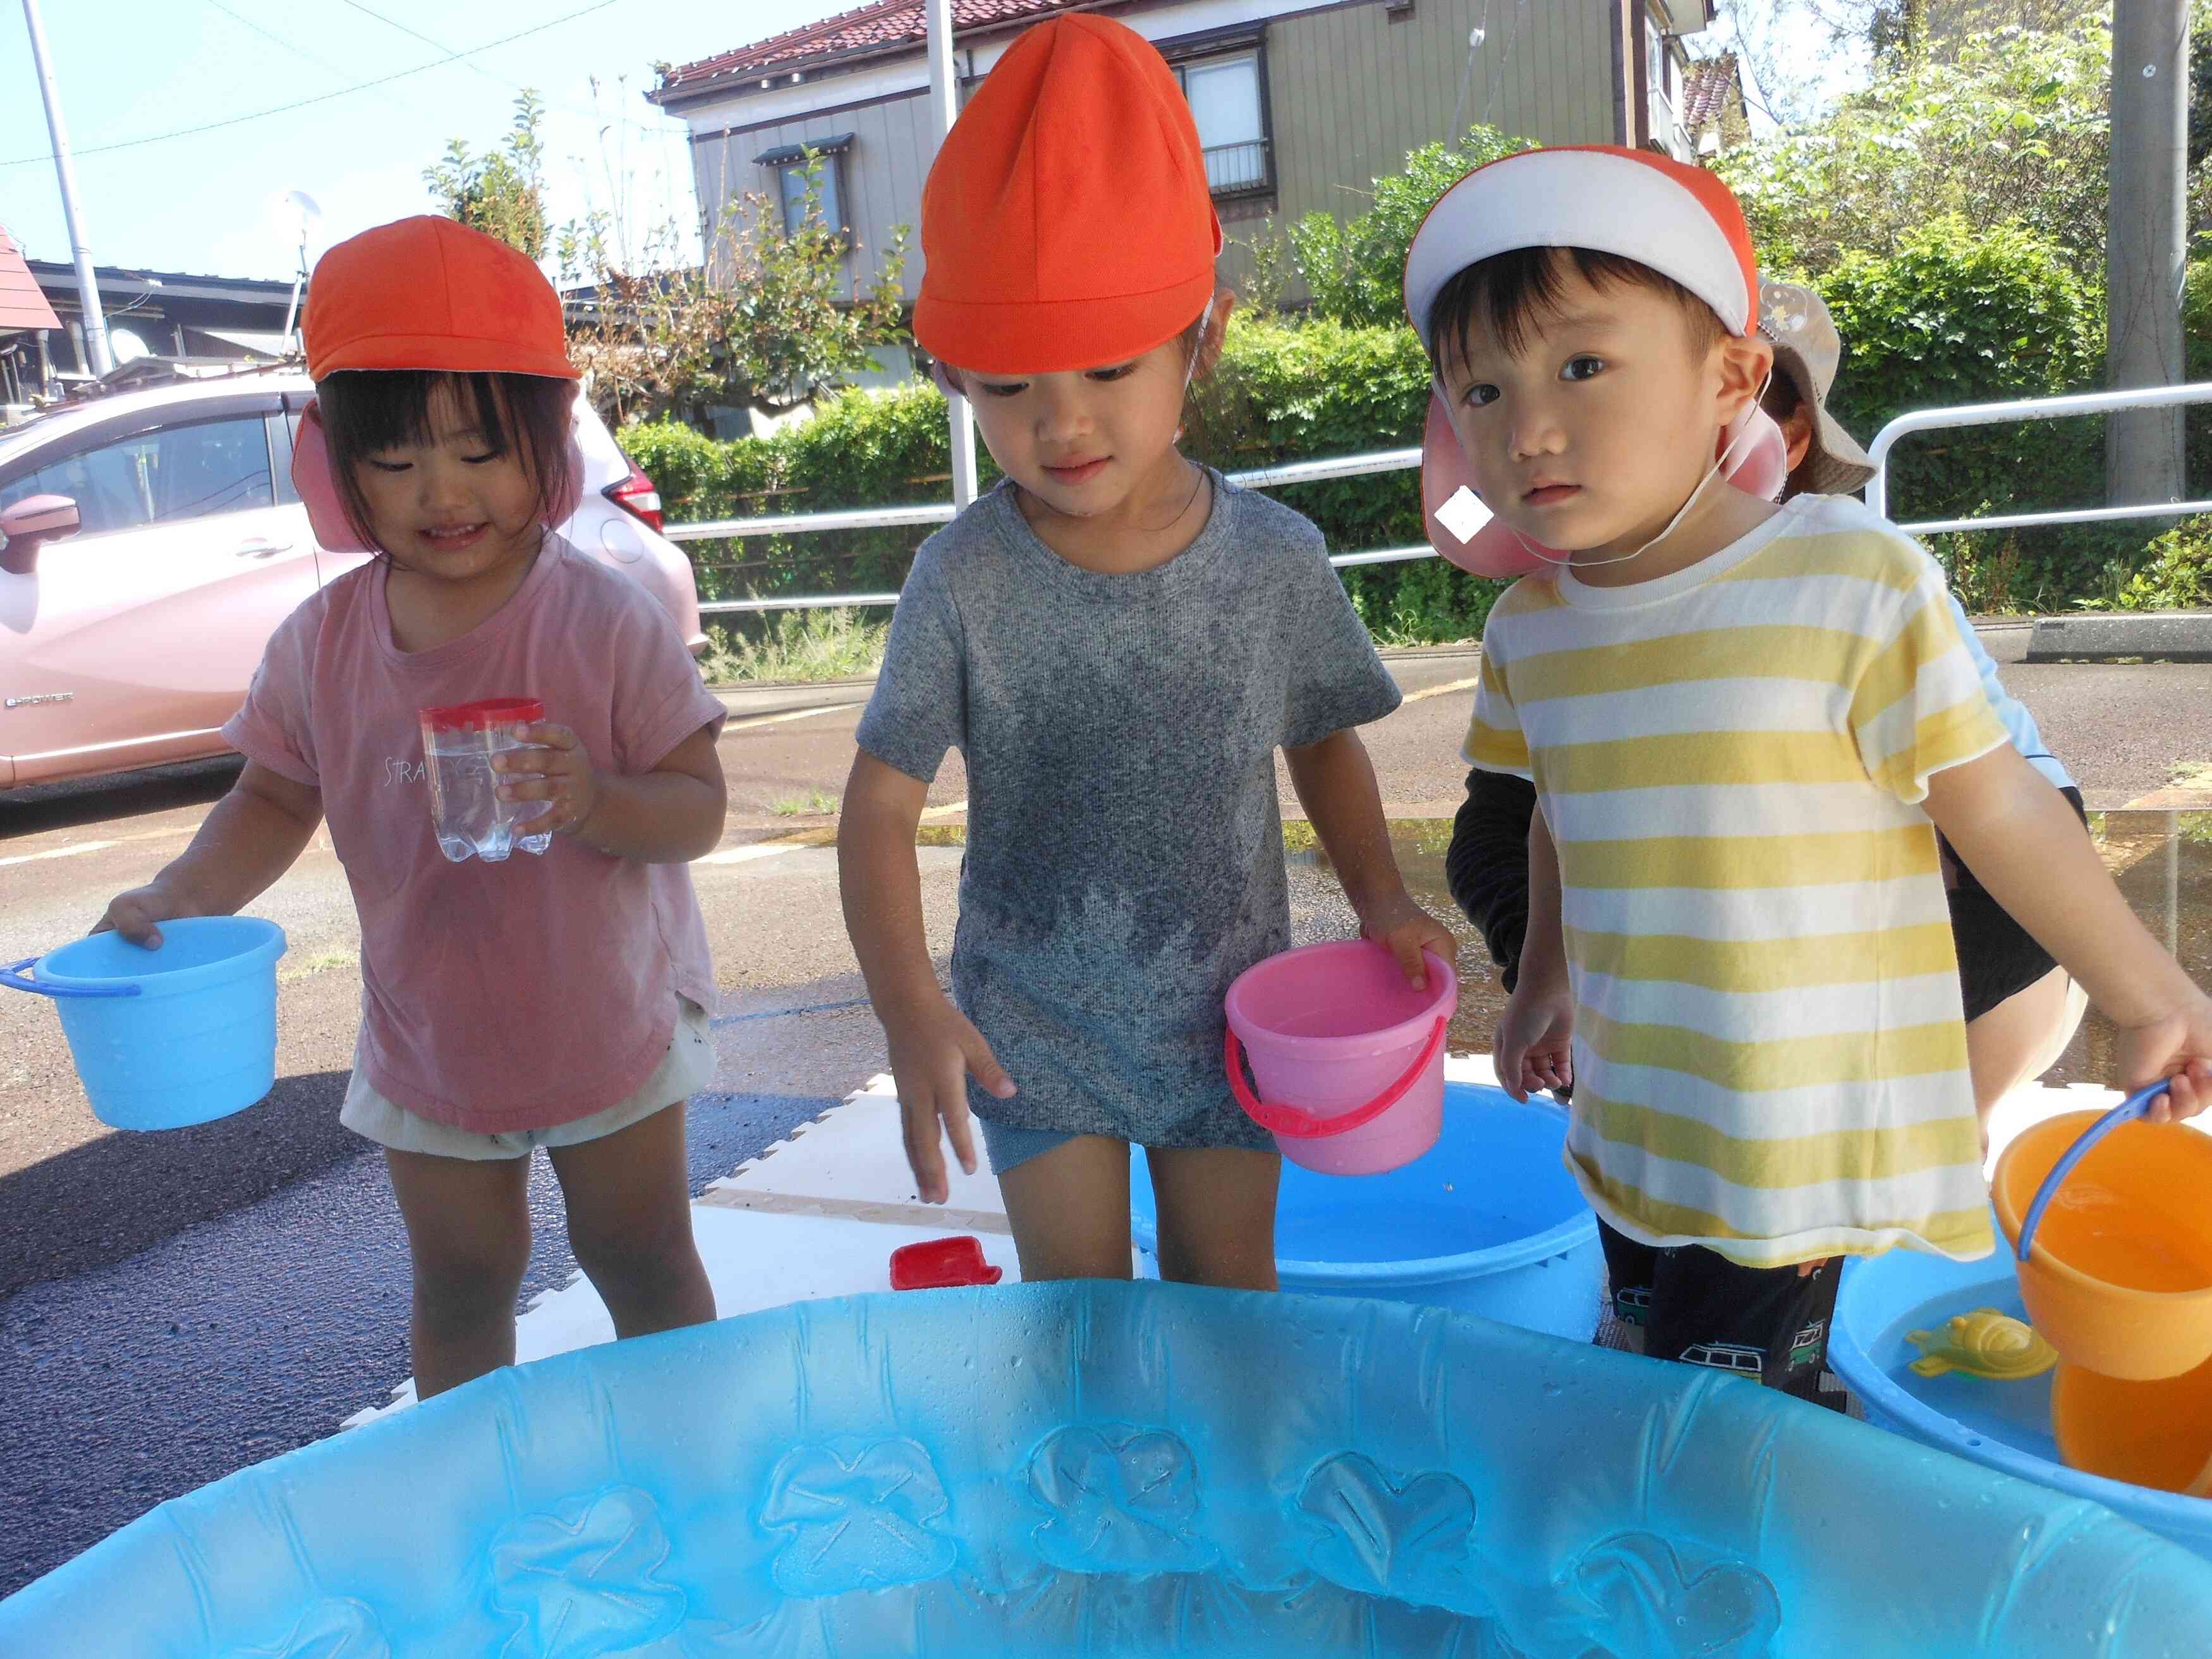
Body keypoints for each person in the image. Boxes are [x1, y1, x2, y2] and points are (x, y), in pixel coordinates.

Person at [1404, 145, 2209, 1402]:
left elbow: (1993, 799)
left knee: (1727, 1423)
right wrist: (1541, 982)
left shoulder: (1846, 579)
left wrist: (2144, 985)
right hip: (1630, 1114)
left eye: (1580, 366)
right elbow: (1554, 808)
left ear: (1729, 374)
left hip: (1784, 1138)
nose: (1528, 426)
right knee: (1643, 1358)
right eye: (1480, 391)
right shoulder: (1531, 624)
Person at [839, 14, 1454, 1287]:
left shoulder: (1271, 555)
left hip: (1227, 1014)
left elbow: (1321, 737)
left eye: (1108, 365)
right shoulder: (964, 573)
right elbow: (878, 810)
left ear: (1202, 340)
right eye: (1007, 384)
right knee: (1081, 1326)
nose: (1059, 419)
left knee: (1229, 1307)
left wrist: (1384, 898)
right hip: (1028, 1025)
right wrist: (910, 1006)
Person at [97, 217, 731, 1397]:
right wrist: (180, 895)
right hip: (428, 1033)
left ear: (545, 445)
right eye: (396, 462)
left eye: (482, 449)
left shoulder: (602, 618)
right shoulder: (323, 643)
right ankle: (472, 1494)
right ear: (338, 467)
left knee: (640, 1257)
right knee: (460, 1281)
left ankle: (689, 1459)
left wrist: (595, 798)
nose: (444, 490)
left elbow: (696, 807)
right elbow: (272, 797)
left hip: (607, 1014)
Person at [1445, 278, 2089, 1158]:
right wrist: (1567, 987)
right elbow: (1513, 825)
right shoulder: (1559, 614)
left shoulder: (1855, 579)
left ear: (1778, 430)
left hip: (1963, 896)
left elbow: (2003, 825)